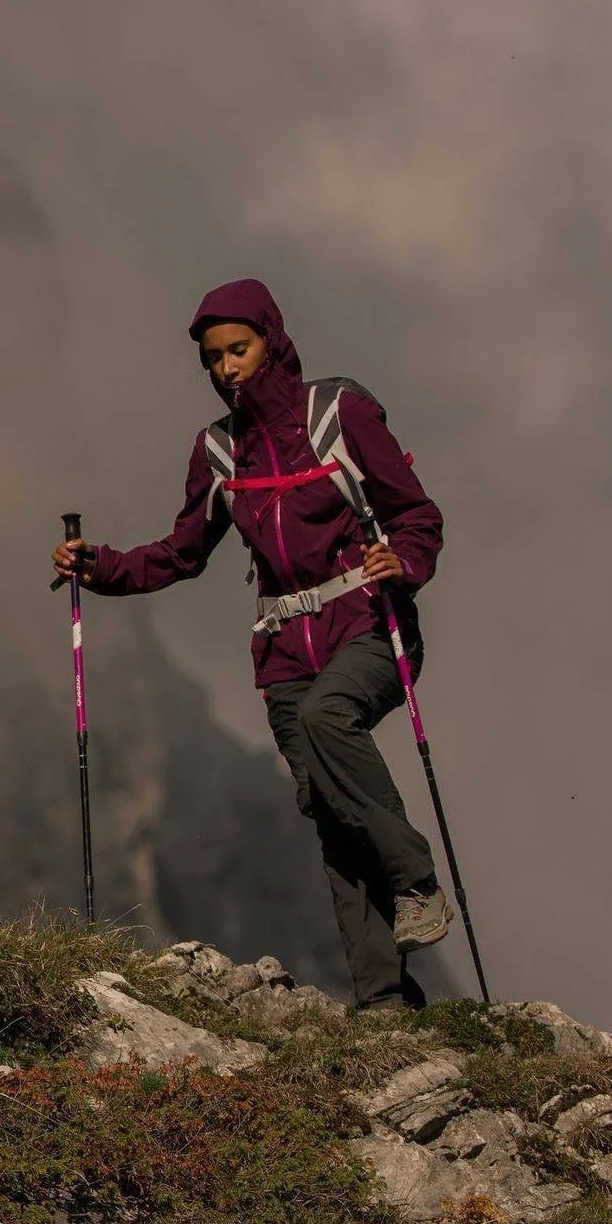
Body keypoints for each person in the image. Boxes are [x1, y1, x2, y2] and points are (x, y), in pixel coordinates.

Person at [51, 278, 454, 1011]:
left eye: (239, 349)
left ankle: (414, 880)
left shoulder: (340, 415)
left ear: (272, 340)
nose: (226, 367)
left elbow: (416, 515)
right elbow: (180, 553)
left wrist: (407, 563)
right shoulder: (216, 451)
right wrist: (98, 565)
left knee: (330, 722)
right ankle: (385, 1000)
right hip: (283, 652)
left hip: (367, 624)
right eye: (212, 358)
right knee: (329, 811)